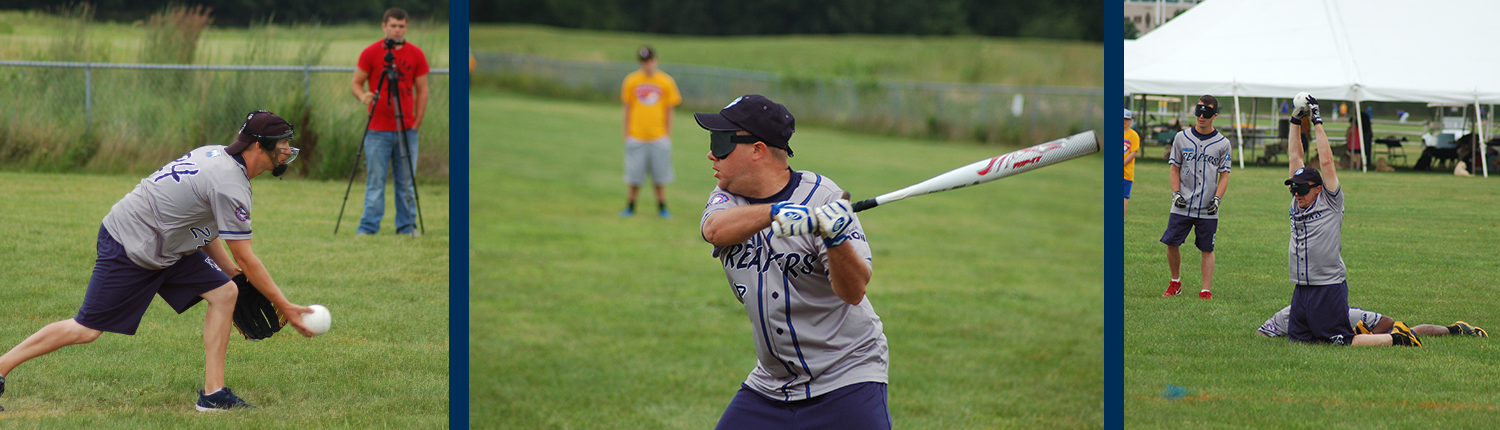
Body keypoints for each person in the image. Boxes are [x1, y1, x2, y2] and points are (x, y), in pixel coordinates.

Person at [0, 111, 317, 412]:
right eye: (283, 142)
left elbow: (202, 226)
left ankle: (213, 394)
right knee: (86, 329)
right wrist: (284, 304)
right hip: (130, 243)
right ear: (258, 145)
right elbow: (246, 256)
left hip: (167, 244)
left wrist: (230, 274)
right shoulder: (230, 183)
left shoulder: (217, 155)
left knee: (225, 292)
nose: (288, 149)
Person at [695, 95, 889, 430]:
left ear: (757, 150)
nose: (711, 154)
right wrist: (777, 213)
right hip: (772, 383)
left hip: (847, 375)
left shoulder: (824, 198)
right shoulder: (728, 196)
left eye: (721, 142)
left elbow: (854, 290)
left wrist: (834, 236)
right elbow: (714, 229)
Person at [1284, 94, 1417, 347]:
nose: (1296, 193)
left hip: (1327, 286)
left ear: (1318, 188)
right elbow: (1295, 157)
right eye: (1294, 189)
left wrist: (1317, 121)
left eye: (1301, 188)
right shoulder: (1297, 201)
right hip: (1301, 286)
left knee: (1339, 341)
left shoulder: (1330, 201)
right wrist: (1295, 121)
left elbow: (1326, 161)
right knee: (1300, 341)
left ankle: (1395, 339)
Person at [351, 7, 430, 236]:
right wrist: (363, 95)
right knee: (375, 182)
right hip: (377, 129)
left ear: (407, 27)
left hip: (407, 129)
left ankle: (407, 226)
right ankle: (368, 227)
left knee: (406, 182)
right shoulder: (371, 53)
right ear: (384, 26)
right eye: (393, 25)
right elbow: (357, 82)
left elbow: (423, 90)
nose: (397, 30)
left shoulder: (416, 54)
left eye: (402, 26)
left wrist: (416, 123)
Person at [1161, 95, 1232, 300]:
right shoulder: (1181, 138)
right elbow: (1174, 169)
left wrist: (1217, 199)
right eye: (1198, 110)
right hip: (1182, 204)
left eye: (1207, 112)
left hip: (1207, 207)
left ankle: (1205, 290)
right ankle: (1175, 282)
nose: (1201, 116)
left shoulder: (1223, 143)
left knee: (1207, 247)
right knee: (1172, 242)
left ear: (1215, 115)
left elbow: (1225, 175)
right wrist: (1175, 194)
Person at [620, 45, 683, 218]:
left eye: (649, 61)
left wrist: (667, 133)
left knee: (660, 176)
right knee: (634, 176)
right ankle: (630, 206)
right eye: (643, 61)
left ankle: (662, 207)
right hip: (636, 135)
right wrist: (626, 132)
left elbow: (670, 109)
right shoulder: (631, 81)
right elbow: (627, 107)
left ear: (655, 61)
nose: (647, 64)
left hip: (658, 136)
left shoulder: (665, 81)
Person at [1257, 305, 1487, 339]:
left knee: (1411, 332)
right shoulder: (1289, 314)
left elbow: (1387, 321)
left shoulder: (1341, 313)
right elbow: (1261, 335)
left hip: (1369, 336)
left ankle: (1456, 329)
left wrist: (1370, 339)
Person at [1124, 108, 1141, 215]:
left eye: (1126, 119)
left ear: (1131, 121)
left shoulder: (1133, 135)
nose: (1124, 121)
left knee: (1124, 195)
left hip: (1126, 172)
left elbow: (1133, 152)